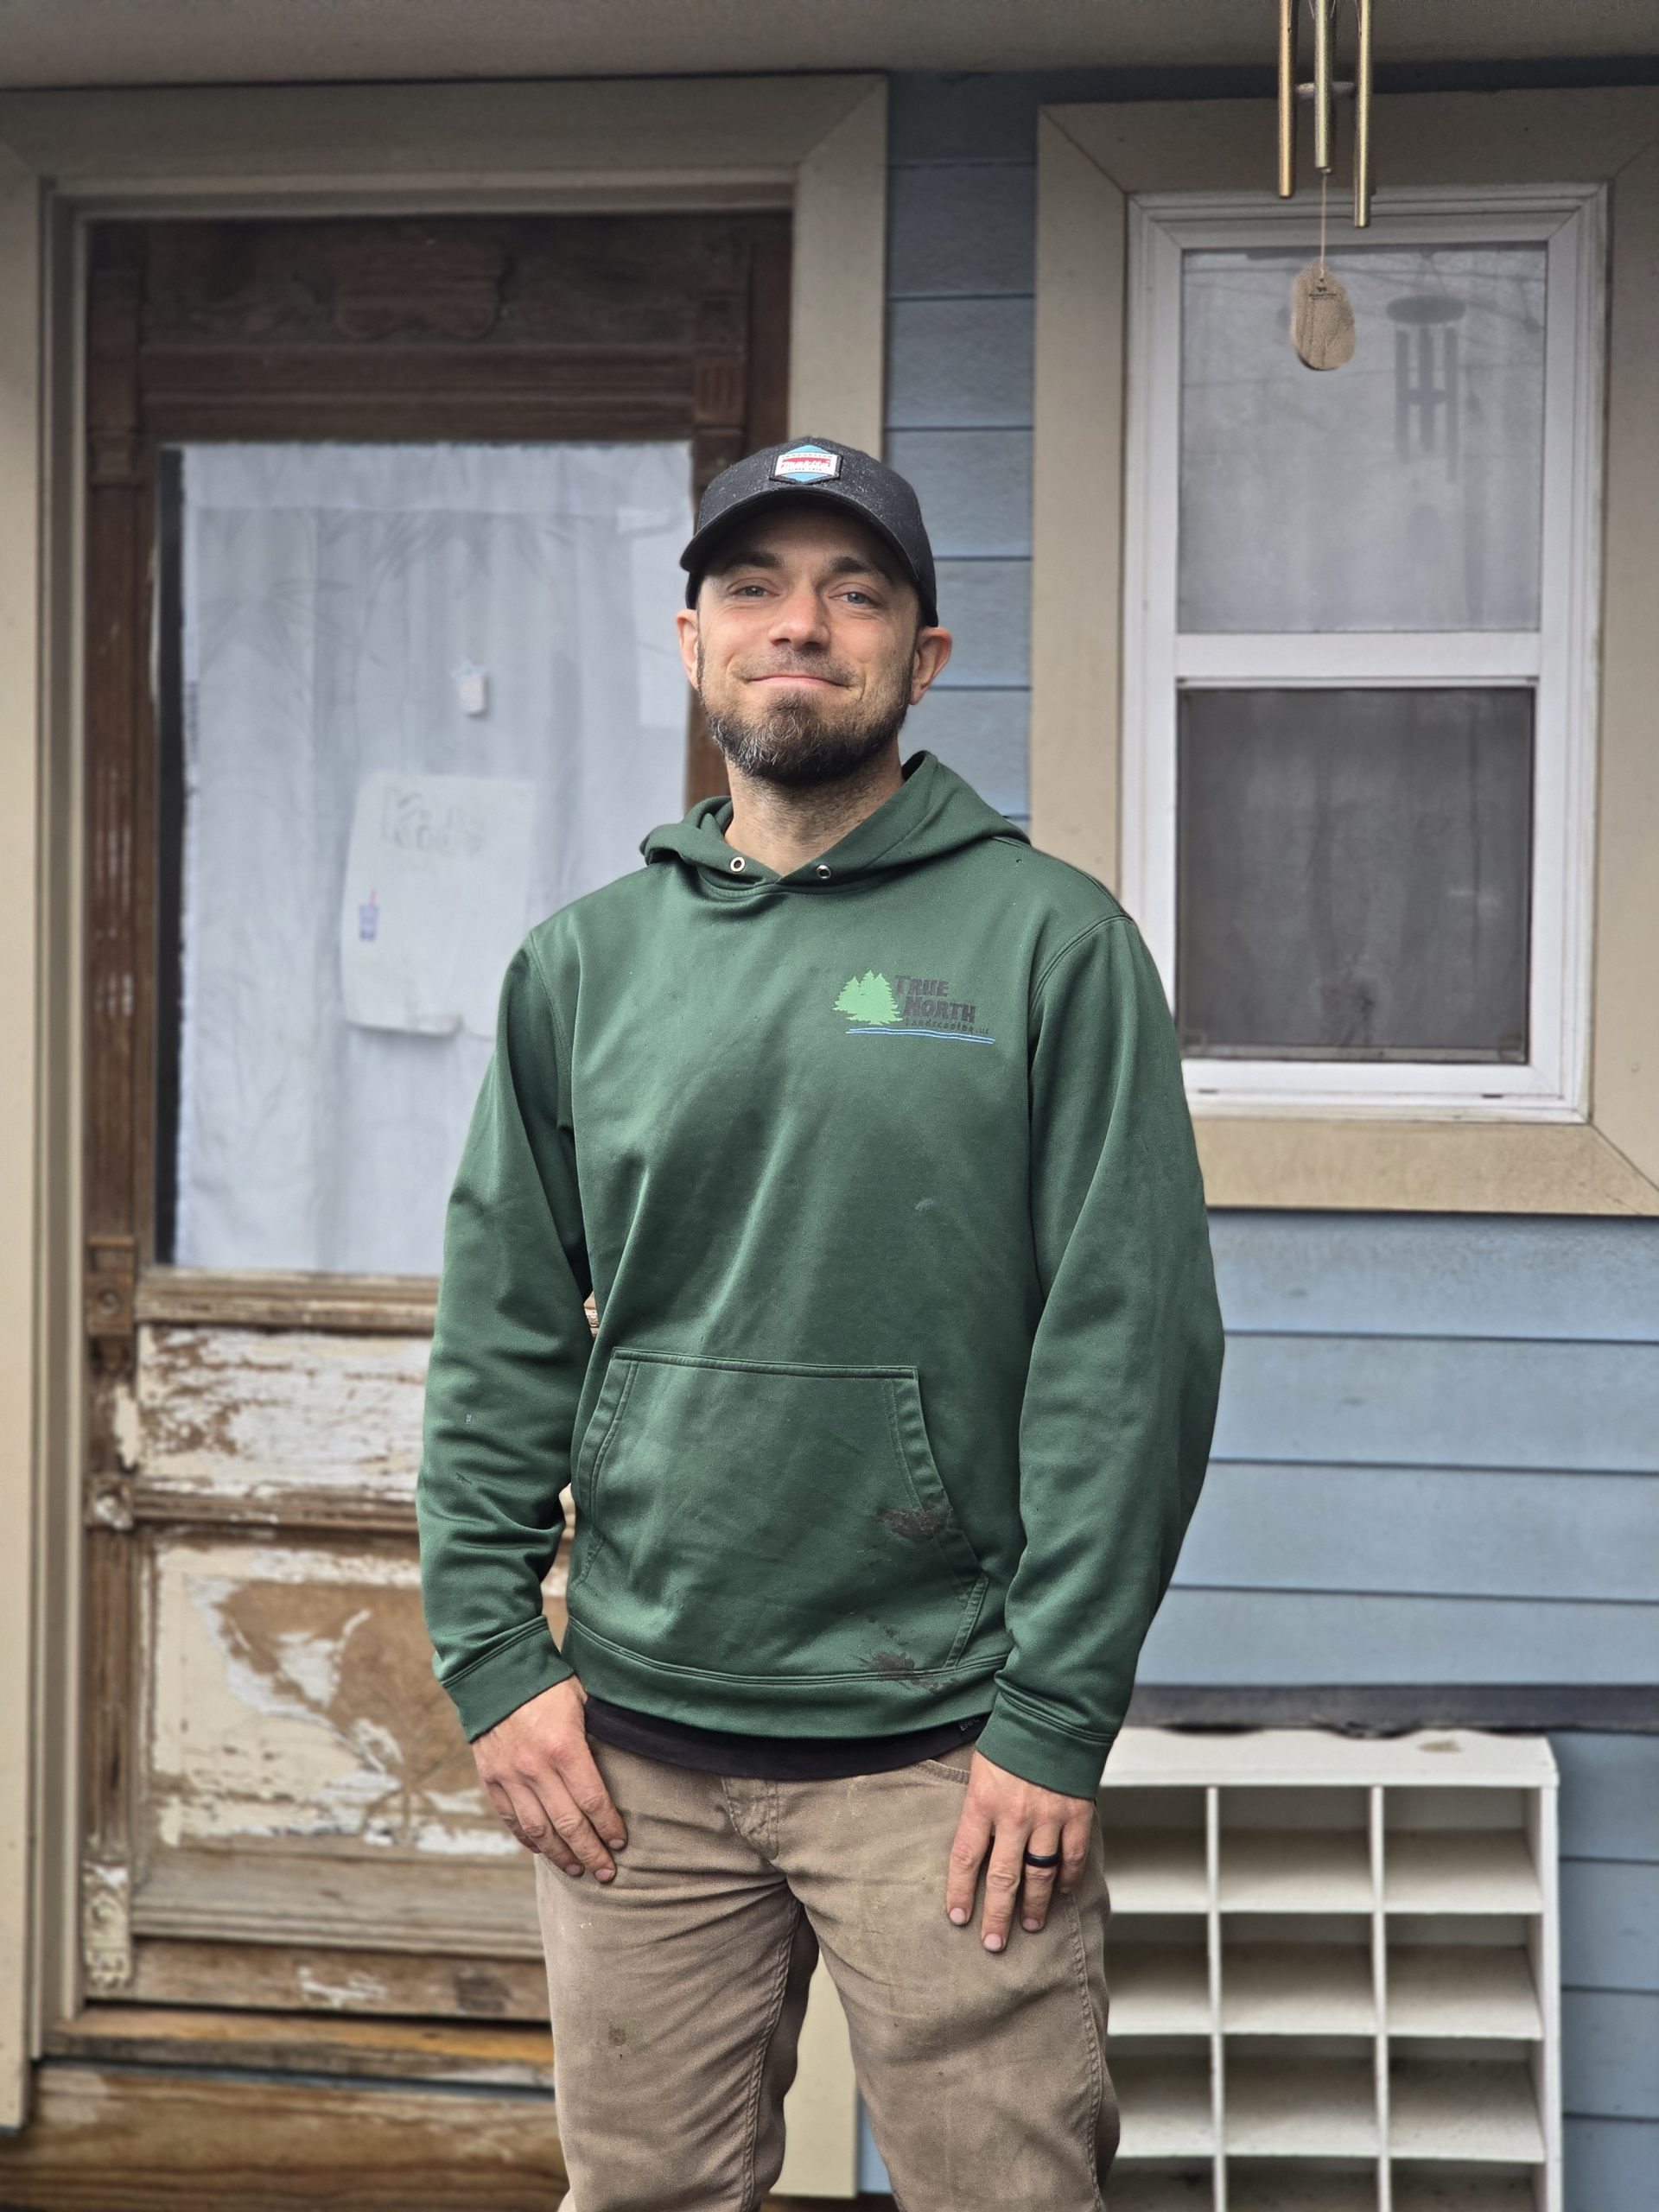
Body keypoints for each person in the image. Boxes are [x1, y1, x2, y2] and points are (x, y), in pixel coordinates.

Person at [416, 435, 1226, 2211]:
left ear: (923, 657)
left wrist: (1053, 1715)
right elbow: (503, 1333)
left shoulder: (1051, 948)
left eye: (857, 593)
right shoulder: (584, 965)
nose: (805, 625)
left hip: (946, 1752)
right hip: (633, 1746)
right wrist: (493, 1655)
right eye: (758, 589)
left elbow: (1130, 1353)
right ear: (691, 638)